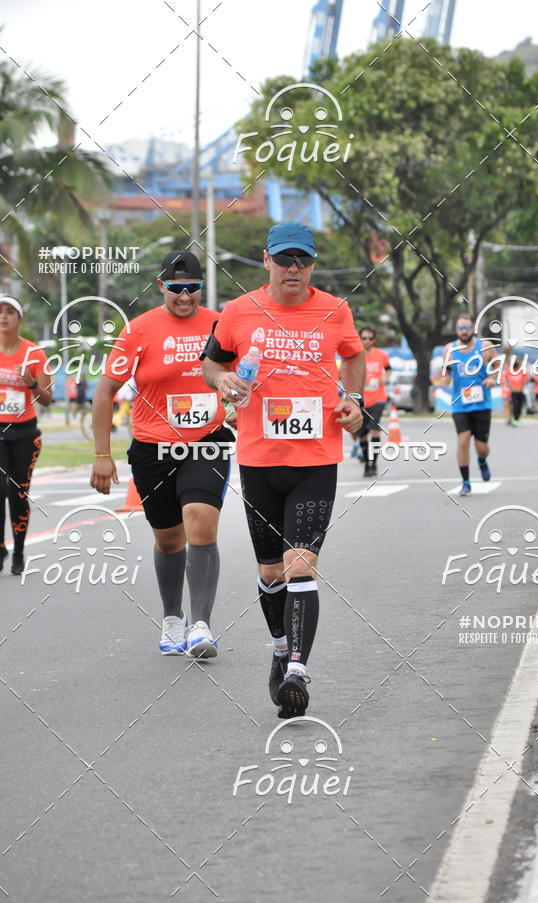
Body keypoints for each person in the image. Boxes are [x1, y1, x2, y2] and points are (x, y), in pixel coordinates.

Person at [202, 222, 365, 718]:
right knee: (270, 571)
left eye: (304, 261)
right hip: (257, 459)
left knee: (300, 565)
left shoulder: (335, 311)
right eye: (285, 259)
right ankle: (278, 647)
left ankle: (297, 669)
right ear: (266, 259)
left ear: (312, 265)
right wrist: (224, 378)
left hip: (316, 458)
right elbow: (209, 364)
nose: (294, 269)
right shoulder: (237, 311)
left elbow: (353, 357)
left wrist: (355, 400)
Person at [90, 250, 234, 656]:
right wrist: (102, 454)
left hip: (207, 441)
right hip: (153, 447)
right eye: (176, 289)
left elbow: (245, 376)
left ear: (201, 289)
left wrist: (240, 407)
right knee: (169, 539)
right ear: (161, 286)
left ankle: (202, 625)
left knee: (201, 521)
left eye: (192, 289)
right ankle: (173, 618)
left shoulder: (221, 325)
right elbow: (104, 392)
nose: (185, 297)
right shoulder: (139, 330)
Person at [0, 296, 52, 574]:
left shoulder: (34, 354)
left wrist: (31, 383)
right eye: (0, 311)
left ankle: (19, 551)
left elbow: (46, 399)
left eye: (10, 311)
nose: (3, 316)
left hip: (24, 432)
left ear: (19, 319)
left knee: (18, 494)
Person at [439, 313, 497, 496]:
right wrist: (443, 381)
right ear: (456, 330)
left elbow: (497, 367)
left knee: (481, 447)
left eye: (466, 328)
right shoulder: (449, 349)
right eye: (460, 328)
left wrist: (492, 379)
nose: (463, 331)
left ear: (473, 328)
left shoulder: (485, 347)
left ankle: (482, 460)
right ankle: (465, 481)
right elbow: (447, 373)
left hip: (482, 404)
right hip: (460, 404)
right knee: (463, 440)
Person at [356, 326, 391, 477]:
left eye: (370, 338)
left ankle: (374, 464)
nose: (367, 341)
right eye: (364, 338)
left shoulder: (381, 355)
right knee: (362, 435)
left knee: (374, 430)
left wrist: (385, 377)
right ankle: (366, 461)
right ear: (360, 339)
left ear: (374, 340)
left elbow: (388, 369)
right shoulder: (355, 355)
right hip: (361, 399)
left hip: (378, 398)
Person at [506, 358, 529, 426]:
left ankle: (517, 419)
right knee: (515, 405)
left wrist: (522, 385)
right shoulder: (509, 371)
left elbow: (527, 379)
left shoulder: (522, 371)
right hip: (513, 392)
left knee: (519, 406)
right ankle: (515, 419)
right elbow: (505, 377)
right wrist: (509, 386)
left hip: (520, 391)